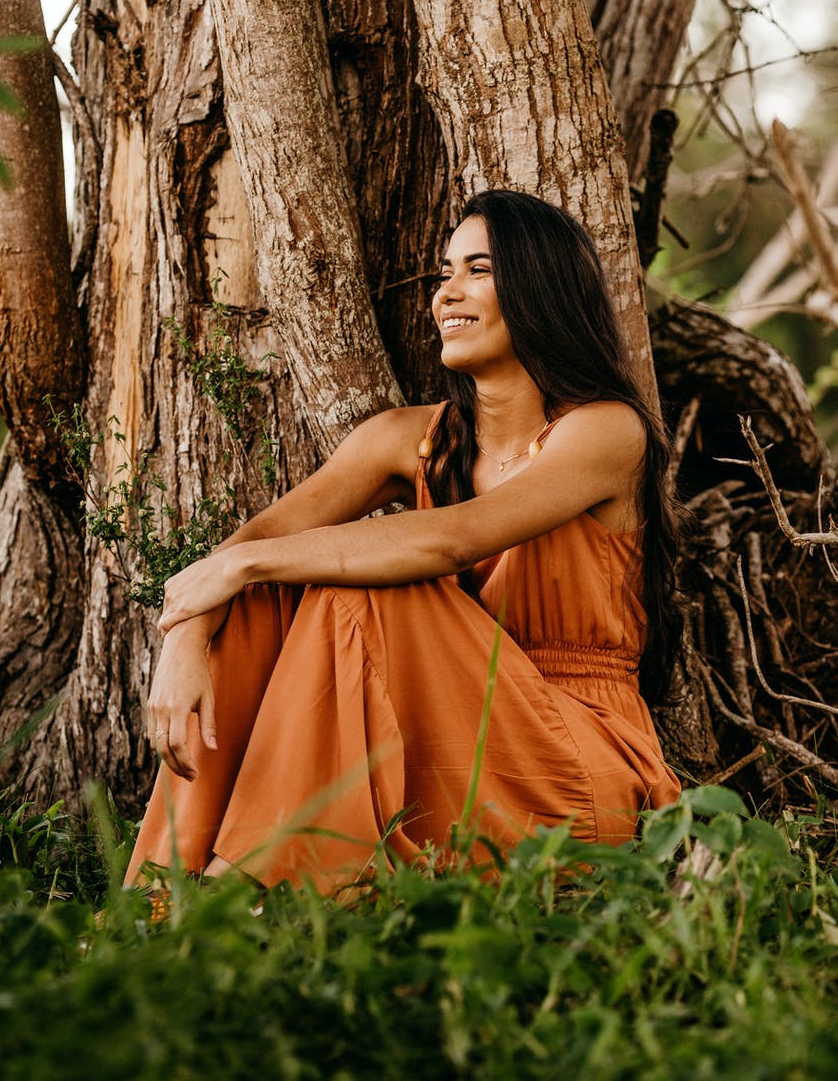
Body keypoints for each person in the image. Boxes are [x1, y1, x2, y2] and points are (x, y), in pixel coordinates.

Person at [126, 190, 681, 892]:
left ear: (541, 286)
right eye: (445, 273)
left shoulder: (605, 431)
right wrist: (187, 632)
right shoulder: (407, 438)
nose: (447, 292)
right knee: (263, 595)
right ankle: (169, 887)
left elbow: (452, 540)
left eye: (479, 270)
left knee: (361, 586)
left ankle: (250, 888)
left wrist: (239, 566)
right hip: (445, 745)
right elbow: (260, 538)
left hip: (572, 766)